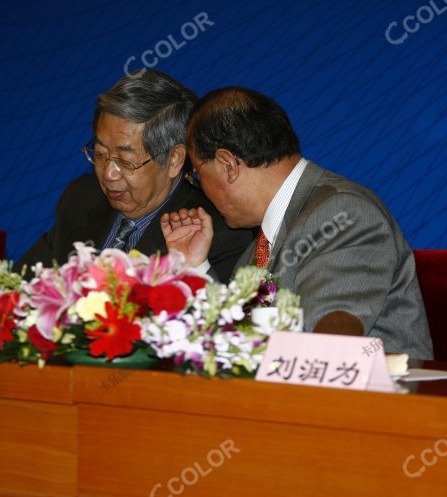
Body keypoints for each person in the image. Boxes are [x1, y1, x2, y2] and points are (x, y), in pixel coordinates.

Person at [161, 87, 433, 359]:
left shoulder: (343, 215)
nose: (201, 188)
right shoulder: (260, 246)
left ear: (228, 164)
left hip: (371, 398)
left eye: (197, 175)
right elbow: (240, 343)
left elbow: (328, 345)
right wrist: (195, 266)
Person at [19, 70, 253, 281]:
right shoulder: (81, 198)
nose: (109, 174)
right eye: (100, 154)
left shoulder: (216, 232)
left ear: (174, 160)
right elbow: (20, 284)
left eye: (126, 161)